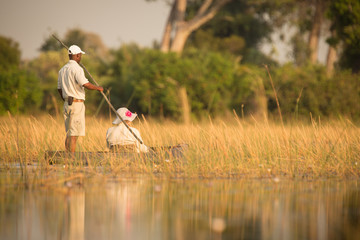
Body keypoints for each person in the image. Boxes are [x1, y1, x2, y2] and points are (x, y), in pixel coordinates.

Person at [57, 45, 103, 152]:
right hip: (76, 104)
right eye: (80, 55)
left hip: (66, 104)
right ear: (77, 55)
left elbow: (59, 89)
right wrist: (98, 88)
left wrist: (64, 98)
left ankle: (68, 156)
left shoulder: (62, 70)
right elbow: (85, 84)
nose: (80, 57)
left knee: (69, 133)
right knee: (74, 134)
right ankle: (71, 159)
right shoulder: (77, 69)